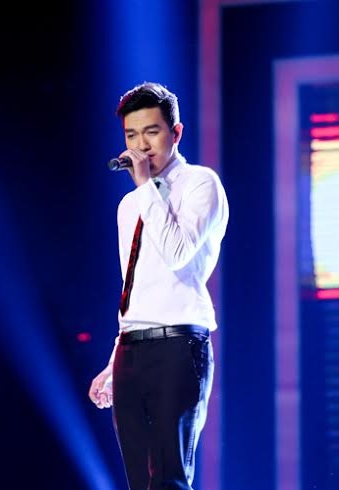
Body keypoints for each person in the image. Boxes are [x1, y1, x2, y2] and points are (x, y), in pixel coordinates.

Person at [88, 81, 229, 489]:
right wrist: (114, 359)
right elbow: (134, 284)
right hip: (132, 349)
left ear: (176, 132)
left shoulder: (200, 183)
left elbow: (177, 252)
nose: (141, 146)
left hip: (179, 345)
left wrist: (146, 187)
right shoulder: (129, 205)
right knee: (138, 481)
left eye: (151, 132)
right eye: (131, 135)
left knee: (169, 478)